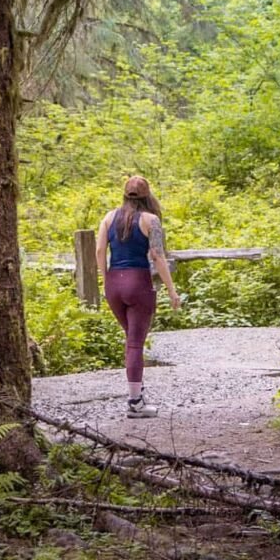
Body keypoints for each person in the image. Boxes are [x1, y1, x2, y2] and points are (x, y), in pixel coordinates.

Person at [96, 174, 181, 417]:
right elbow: (158, 256)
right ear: (148, 197)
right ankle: (135, 403)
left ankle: (137, 387)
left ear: (124, 195)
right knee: (135, 343)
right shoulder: (151, 220)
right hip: (138, 283)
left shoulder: (108, 217)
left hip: (115, 283)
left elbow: (100, 249)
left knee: (131, 338)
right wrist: (172, 291)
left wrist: (106, 279)